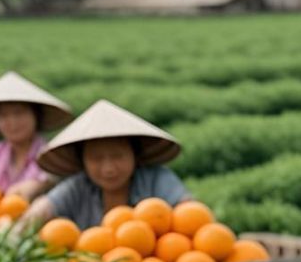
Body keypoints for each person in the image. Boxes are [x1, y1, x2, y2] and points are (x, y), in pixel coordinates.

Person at [19, 99, 190, 230]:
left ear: (134, 155)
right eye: (96, 159)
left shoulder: (156, 178)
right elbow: (43, 208)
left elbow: (190, 211)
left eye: (117, 156)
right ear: (83, 161)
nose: (108, 168)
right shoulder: (79, 186)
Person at [0, 71, 73, 200]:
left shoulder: (52, 155)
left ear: (36, 115)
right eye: (3, 115)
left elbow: (51, 179)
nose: (12, 122)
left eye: (19, 113)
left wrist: (38, 185)